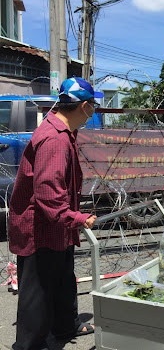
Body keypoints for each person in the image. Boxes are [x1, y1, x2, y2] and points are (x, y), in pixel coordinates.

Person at [9, 77, 99, 350]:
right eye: (93, 106)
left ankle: (64, 326)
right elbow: (49, 197)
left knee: (62, 279)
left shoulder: (61, 131)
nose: (93, 112)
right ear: (84, 106)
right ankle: (30, 345)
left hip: (56, 226)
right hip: (40, 228)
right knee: (38, 291)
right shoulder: (54, 140)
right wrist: (78, 219)